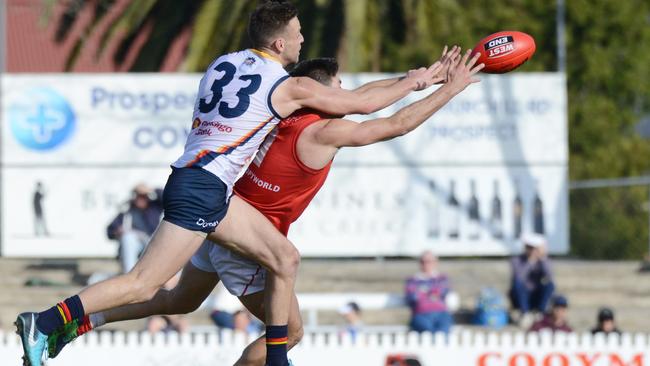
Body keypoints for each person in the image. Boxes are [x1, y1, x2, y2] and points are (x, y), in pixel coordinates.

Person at [16, 2, 445, 365]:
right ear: (279, 43)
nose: (300, 41)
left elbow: (349, 97)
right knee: (144, 282)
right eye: (296, 34)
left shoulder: (223, 63)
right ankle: (47, 321)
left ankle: (80, 324)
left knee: (278, 259)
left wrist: (417, 79)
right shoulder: (288, 86)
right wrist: (416, 81)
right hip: (202, 187)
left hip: (211, 187)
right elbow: (360, 104)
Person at [107, 184, 163, 273]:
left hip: (150, 242)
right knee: (127, 237)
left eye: (143, 196)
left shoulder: (154, 208)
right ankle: (129, 274)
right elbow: (110, 231)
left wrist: (151, 189)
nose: (141, 199)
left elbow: (165, 198)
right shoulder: (126, 210)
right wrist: (117, 231)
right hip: (134, 245)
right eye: (138, 196)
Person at [509, 232, 555, 328]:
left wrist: (542, 259)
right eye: (530, 247)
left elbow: (549, 275)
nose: (533, 250)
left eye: (535, 248)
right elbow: (519, 277)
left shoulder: (544, 261)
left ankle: (540, 313)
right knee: (518, 284)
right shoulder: (516, 260)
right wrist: (530, 262)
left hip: (536, 295)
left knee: (549, 285)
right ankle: (525, 313)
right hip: (521, 295)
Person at [405, 251, 454, 334]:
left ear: (435, 263)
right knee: (429, 334)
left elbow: (443, 292)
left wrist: (423, 292)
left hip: (441, 313)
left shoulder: (442, 278)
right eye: (423, 261)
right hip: (421, 314)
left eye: (429, 261)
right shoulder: (412, 280)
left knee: (442, 333)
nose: (426, 264)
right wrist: (432, 293)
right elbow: (412, 297)